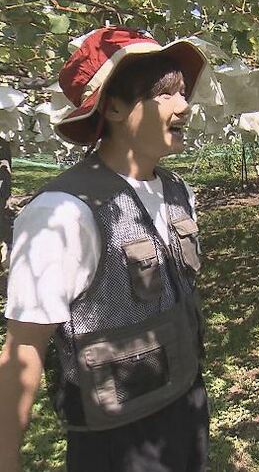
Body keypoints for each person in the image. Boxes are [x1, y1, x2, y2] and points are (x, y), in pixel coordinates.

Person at [0, 27, 210, 471]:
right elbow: (24, 348)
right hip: (119, 440)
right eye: (165, 94)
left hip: (187, 407)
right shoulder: (61, 214)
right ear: (112, 106)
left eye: (183, 93)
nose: (184, 106)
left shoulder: (178, 192)